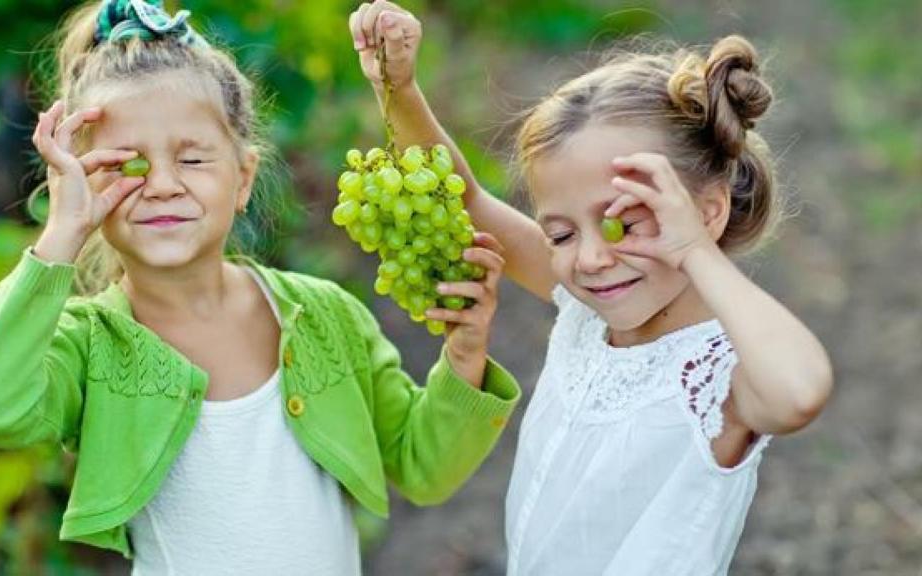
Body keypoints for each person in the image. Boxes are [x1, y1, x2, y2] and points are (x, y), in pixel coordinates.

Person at [0, 1, 521, 573]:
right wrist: (61, 234)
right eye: (128, 166)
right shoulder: (89, 344)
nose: (163, 185)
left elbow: (425, 469)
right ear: (80, 182)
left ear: (243, 178)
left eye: (193, 159)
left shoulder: (326, 316)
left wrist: (464, 357)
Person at [349, 2, 833, 573]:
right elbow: (468, 199)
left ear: (704, 213)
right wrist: (398, 90)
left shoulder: (717, 374)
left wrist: (697, 253)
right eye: (559, 233)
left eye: (621, 223)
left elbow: (801, 392)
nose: (592, 259)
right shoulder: (589, 315)